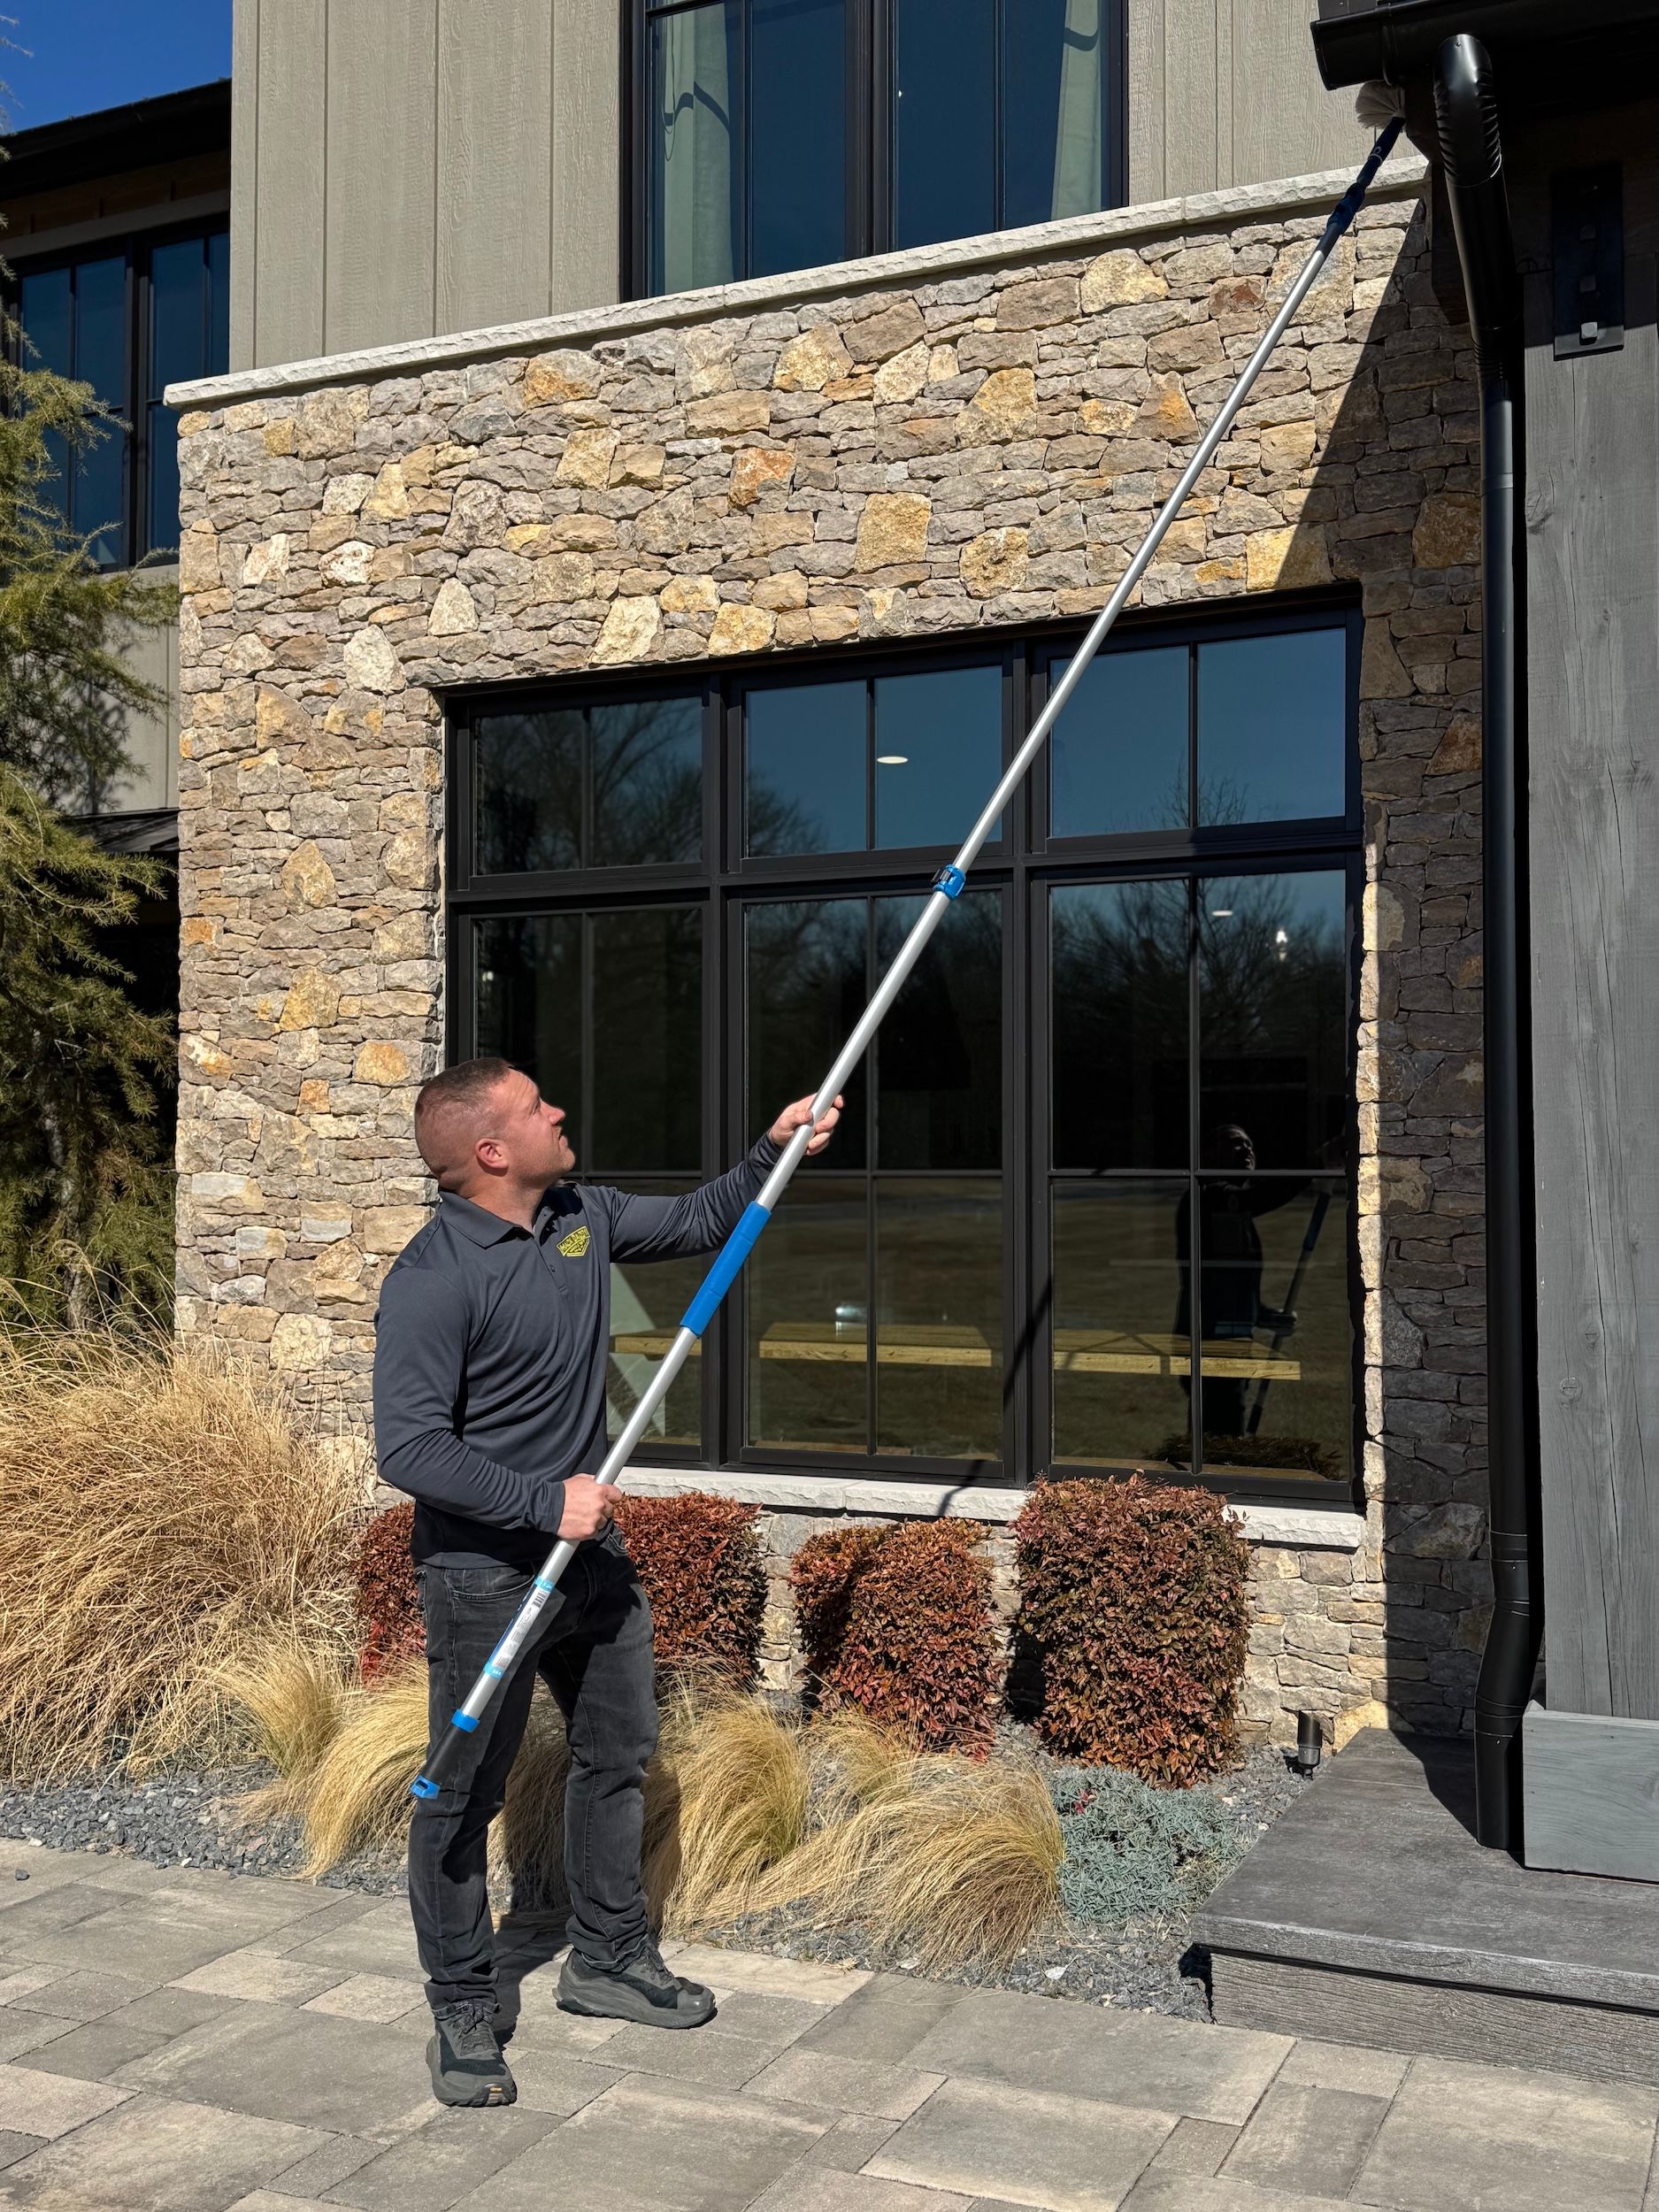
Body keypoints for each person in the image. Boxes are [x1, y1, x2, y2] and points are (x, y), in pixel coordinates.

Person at [372, 1056, 840, 2109]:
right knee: (460, 1791)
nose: (560, 1111)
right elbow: (407, 1449)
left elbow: (700, 1222)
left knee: (616, 1755)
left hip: (591, 1566)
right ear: (492, 1152)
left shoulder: (578, 1215)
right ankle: (461, 2003)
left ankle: (607, 1958)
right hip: (485, 1574)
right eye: (538, 1107)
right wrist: (545, 1504)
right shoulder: (435, 1278)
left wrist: (777, 1148)